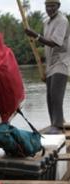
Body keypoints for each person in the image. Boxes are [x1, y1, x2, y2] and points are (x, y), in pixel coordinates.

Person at [25, 0, 69, 134]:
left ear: (58, 6)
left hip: (61, 62)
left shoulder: (62, 20)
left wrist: (36, 36)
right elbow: (46, 44)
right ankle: (53, 124)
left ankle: (58, 124)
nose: (49, 9)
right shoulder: (46, 22)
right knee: (49, 97)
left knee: (56, 95)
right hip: (50, 64)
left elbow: (54, 43)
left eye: (52, 6)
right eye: (47, 6)